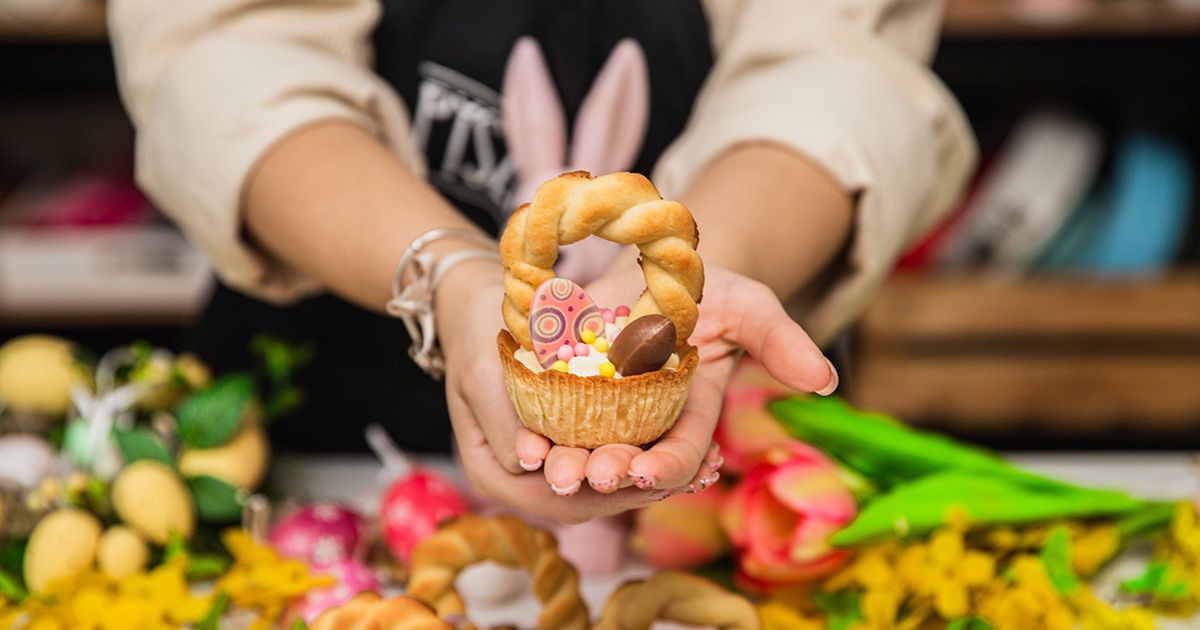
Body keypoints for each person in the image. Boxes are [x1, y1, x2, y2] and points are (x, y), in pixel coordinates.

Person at [107, 0, 975, 523]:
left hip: (720, 476)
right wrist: (451, 277)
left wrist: (695, 280)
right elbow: (225, 64)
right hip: (319, 447)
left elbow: (835, 70)